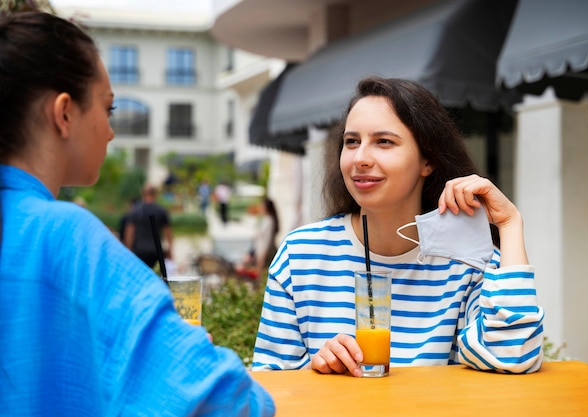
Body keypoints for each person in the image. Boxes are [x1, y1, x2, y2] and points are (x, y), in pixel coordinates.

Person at [0, 11, 274, 416]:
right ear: (63, 114)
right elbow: (228, 403)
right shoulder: (65, 235)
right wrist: (191, 348)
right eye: (108, 108)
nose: (111, 130)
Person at [252, 76, 544, 376]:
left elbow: (513, 357)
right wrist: (316, 371)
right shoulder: (300, 255)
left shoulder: (469, 260)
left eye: (384, 142)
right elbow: (269, 382)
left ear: (427, 161)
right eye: (352, 142)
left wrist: (509, 224)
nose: (361, 157)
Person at [123, 183, 174, 270]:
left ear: (142, 194)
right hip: (156, 250)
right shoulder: (161, 210)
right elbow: (168, 233)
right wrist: (169, 250)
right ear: (155, 194)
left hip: (139, 250)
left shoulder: (135, 210)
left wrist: (128, 250)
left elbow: (129, 232)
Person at [237, 197, 280, 279]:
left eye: (262, 206)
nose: (260, 208)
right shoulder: (265, 219)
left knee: (261, 276)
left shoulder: (269, 221)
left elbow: (267, 241)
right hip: (258, 252)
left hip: (263, 253)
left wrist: (262, 256)